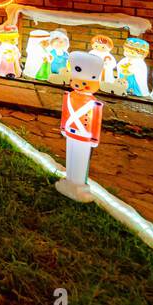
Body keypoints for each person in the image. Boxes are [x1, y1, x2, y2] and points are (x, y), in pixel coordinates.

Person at [56, 51, 104, 202]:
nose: (81, 86)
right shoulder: (68, 96)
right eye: (77, 82)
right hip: (70, 132)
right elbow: (65, 111)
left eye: (85, 83)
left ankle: (77, 183)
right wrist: (63, 127)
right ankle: (69, 180)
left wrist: (94, 138)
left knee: (81, 159)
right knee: (70, 155)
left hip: (84, 136)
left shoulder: (94, 103)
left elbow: (95, 120)